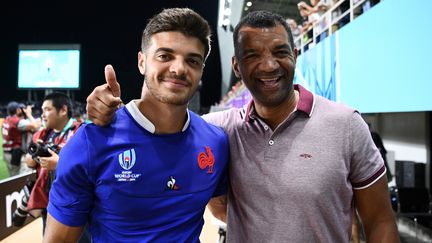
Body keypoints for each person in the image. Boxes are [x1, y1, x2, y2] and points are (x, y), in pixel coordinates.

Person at [86, 10, 399, 242]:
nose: (268, 65)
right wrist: (108, 113)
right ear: (237, 66)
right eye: (252, 55)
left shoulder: (345, 124)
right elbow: (159, 127)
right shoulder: (219, 129)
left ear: (295, 55)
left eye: (280, 52)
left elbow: (380, 221)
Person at [44, 8, 229, 242]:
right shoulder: (90, 142)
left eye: (192, 60)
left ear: (201, 70)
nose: (179, 68)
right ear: (142, 62)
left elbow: (221, 208)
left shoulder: (216, 141)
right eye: (165, 56)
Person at [24, 92, 82, 235]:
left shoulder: (81, 131)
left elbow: (90, 166)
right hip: (48, 201)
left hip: (75, 203)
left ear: (63, 110)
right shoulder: (41, 134)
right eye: (42, 110)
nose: (42, 114)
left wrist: (60, 163)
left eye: (47, 109)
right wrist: (33, 158)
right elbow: (28, 161)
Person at [2, 101, 40, 176]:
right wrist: (29, 114)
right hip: (14, 153)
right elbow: (35, 126)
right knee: (19, 179)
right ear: (17, 110)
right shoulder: (17, 121)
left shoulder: (7, 119)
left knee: (13, 177)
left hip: (8, 152)